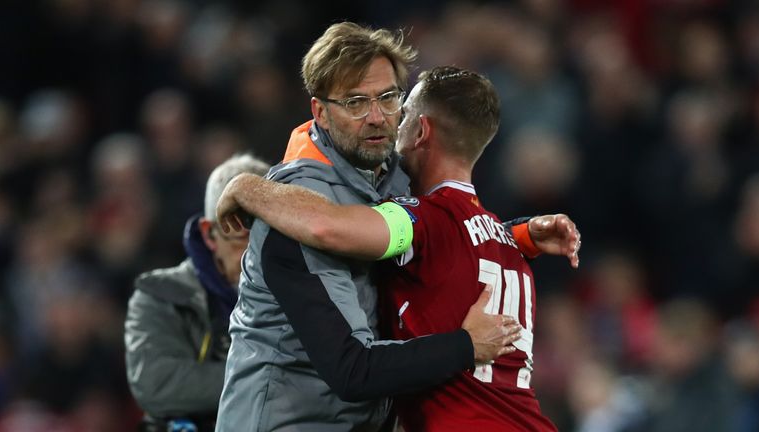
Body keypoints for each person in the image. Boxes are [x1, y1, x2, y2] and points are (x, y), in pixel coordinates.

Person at [217, 66, 581, 430]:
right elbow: (460, 244)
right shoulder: (507, 247)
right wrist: (521, 234)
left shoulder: (419, 221)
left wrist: (247, 187)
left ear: (421, 131)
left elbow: (327, 225)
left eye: (402, 112)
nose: (390, 124)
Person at [124, 154, 270, 432]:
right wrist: (270, 375)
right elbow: (158, 385)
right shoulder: (160, 295)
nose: (255, 254)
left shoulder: (303, 285)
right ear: (208, 234)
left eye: (266, 237)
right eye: (240, 237)